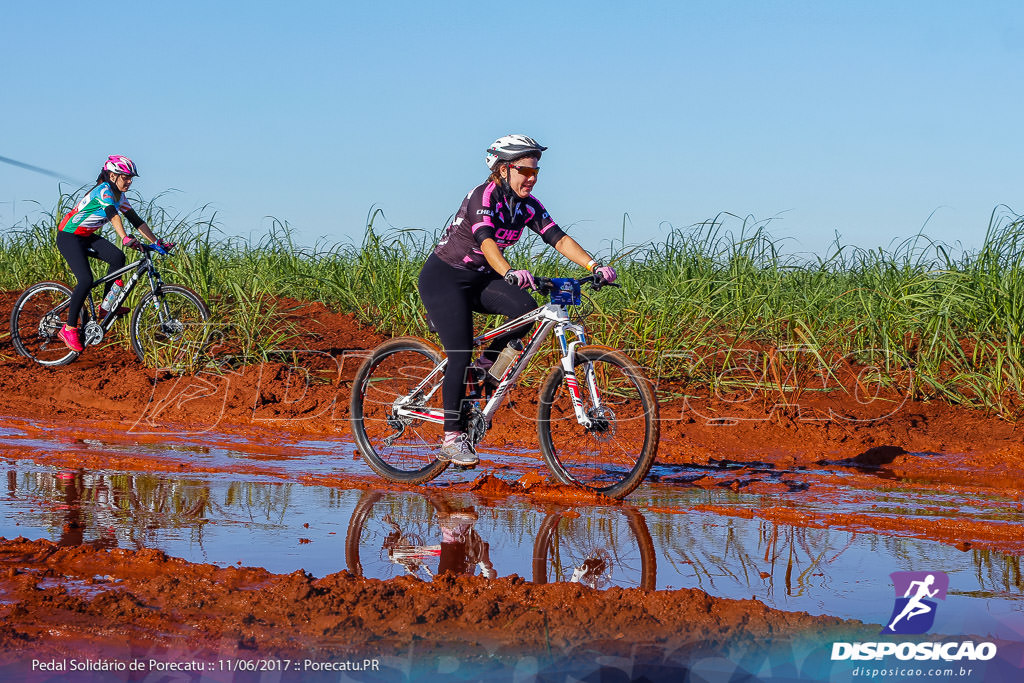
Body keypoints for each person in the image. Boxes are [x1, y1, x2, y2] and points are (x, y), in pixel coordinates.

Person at [417, 135, 617, 466]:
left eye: (536, 171)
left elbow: (558, 237)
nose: (532, 177)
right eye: (525, 170)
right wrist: (509, 271)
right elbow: (485, 241)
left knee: (525, 309)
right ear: (504, 169)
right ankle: (452, 438)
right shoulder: (483, 196)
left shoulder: (526, 205)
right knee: (460, 351)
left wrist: (593, 266)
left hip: (481, 278)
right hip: (445, 278)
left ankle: (484, 369)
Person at [55, 155, 174, 352]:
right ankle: (68, 328)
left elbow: (136, 220)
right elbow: (112, 214)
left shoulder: (121, 196)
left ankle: (106, 307)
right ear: (112, 175)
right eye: (125, 177)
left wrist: (157, 242)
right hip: (68, 236)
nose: (129, 181)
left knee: (118, 258)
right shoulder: (103, 191)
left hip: (85, 236)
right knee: (85, 279)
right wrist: (125, 237)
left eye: (131, 178)